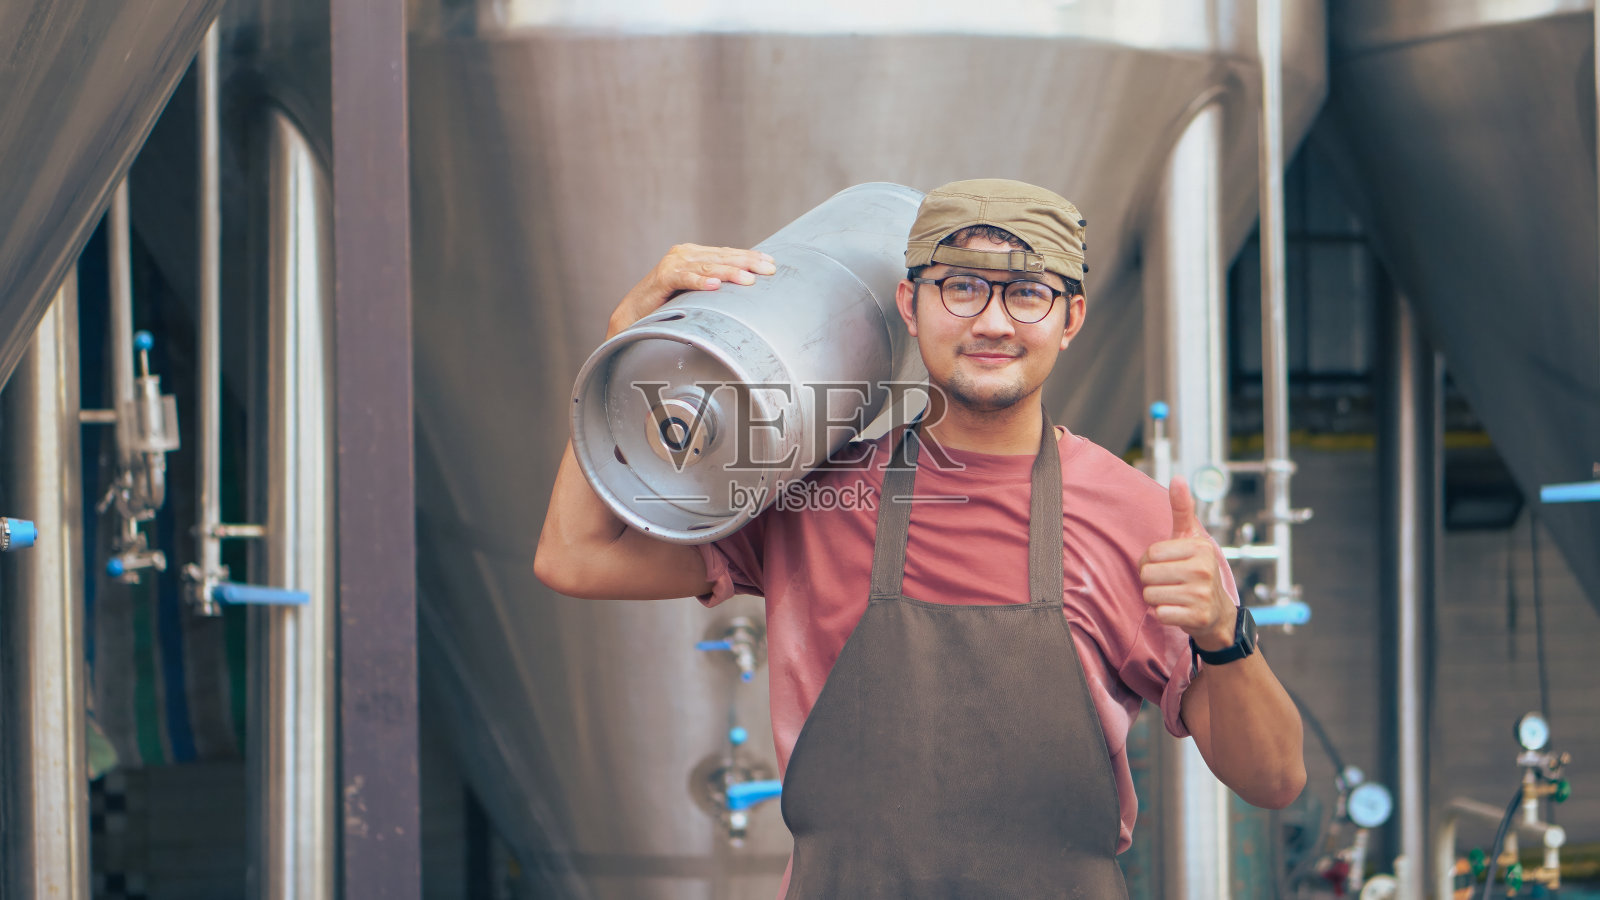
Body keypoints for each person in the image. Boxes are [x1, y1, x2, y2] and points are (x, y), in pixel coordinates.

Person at [535, 179, 1306, 898]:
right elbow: (575, 556)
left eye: (1028, 294)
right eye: (961, 288)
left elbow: (1273, 780)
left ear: (1070, 319)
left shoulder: (1135, 517)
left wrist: (1223, 637)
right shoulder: (812, 493)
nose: (993, 322)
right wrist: (625, 346)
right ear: (910, 305)